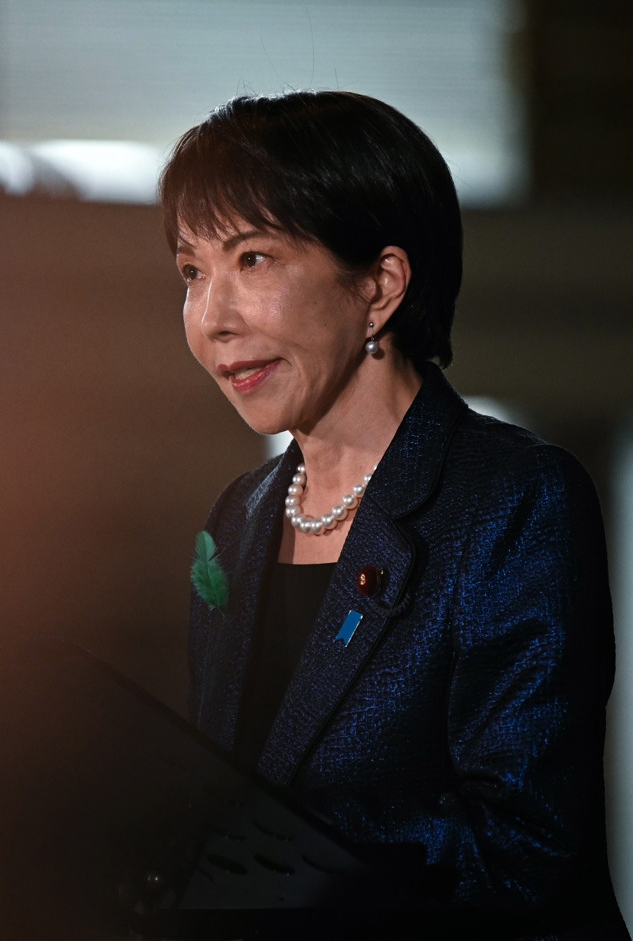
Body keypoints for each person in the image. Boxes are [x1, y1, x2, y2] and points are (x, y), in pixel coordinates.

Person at [164, 90, 626, 938]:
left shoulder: (518, 499)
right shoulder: (237, 519)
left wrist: (263, 854)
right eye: (193, 271)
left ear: (379, 286)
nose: (212, 319)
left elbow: (520, 851)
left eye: (254, 259)